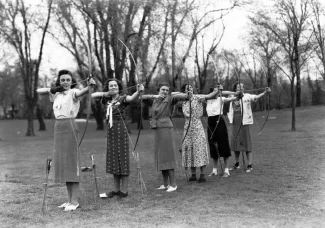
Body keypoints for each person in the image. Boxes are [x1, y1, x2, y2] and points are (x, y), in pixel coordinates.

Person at [36, 69, 96, 211]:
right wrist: (54, 88)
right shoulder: (55, 93)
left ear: (72, 81)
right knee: (63, 165)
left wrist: (89, 86)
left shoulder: (73, 92)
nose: (65, 82)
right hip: (58, 127)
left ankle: (74, 201)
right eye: (63, 80)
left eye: (68, 80)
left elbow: (83, 92)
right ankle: (69, 200)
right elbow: (38, 90)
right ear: (59, 81)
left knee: (71, 164)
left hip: (69, 126)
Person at [91, 79, 144, 198]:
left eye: (115, 85)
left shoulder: (122, 98)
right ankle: (115, 190)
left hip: (121, 130)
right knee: (114, 160)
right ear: (108, 88)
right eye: (111, 86)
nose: (113, 87)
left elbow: (132, 98)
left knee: (123, 159)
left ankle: (124, 191)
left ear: (119, 87)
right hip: (111, 131)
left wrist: (138, 91)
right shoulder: (107, 99)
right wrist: (106, 93)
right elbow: (93, 95)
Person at [141, 82, 189, 192]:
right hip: (158, 129)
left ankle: (173, 184)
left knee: (168, 155)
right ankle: (165, 183)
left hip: (166, 129)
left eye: (167, 90)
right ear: (158, 90)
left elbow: (180, 97)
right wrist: (155, 96)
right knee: (161, 156)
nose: (165, 92)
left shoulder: (170, 98)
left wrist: (187, 95)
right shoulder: (154, 100)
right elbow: (141, 97)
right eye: (163, 89)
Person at [178, 84, 219, 183]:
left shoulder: (198, 97)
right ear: (184, 91)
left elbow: (210, 96)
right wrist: (183, 95)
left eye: (191, 88)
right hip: (187, 127)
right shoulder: (183, 101)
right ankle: (193, 175)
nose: (189, 90)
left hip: (197, 126)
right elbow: (172, 94)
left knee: (199, 149)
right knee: (190, 150)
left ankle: (202, 175)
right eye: (187, 89)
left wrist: (217, 90)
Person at [228, 82, 271, 172]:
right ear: (235, 88)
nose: (241, 88)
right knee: (236, 144)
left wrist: (265, 92)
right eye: (239, 87)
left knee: (247, 144)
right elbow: (224, 98)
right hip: (235, 122)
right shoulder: (231, 97)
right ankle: (237, 163)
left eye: (242, 87)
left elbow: (256, 97)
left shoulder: (247, 96)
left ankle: (249, 164)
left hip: (244, 123)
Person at [206, 85, 239, 177]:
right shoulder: (207, 99)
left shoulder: (221, 99)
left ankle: (226, 170)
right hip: (210, 123)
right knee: (213, 146)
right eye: (215, 91)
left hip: (219, 122)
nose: (218, 92)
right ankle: (214, 170)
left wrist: (237, 95)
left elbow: (231, 99)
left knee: (223, 145)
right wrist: (217, 90)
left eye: (219, 91)